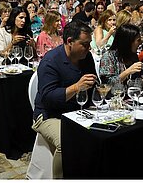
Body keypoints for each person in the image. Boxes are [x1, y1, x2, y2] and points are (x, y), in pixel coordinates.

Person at [32, 20, 98, 179]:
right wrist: (76, 87)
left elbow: (94, 84)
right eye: (84, 44)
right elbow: (48, 98)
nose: (89, 48)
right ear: (70, 41)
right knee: (66, 142)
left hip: (79, 110)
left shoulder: (86, 57)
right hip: (49, 115)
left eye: (90, 44)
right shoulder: (50, 61)